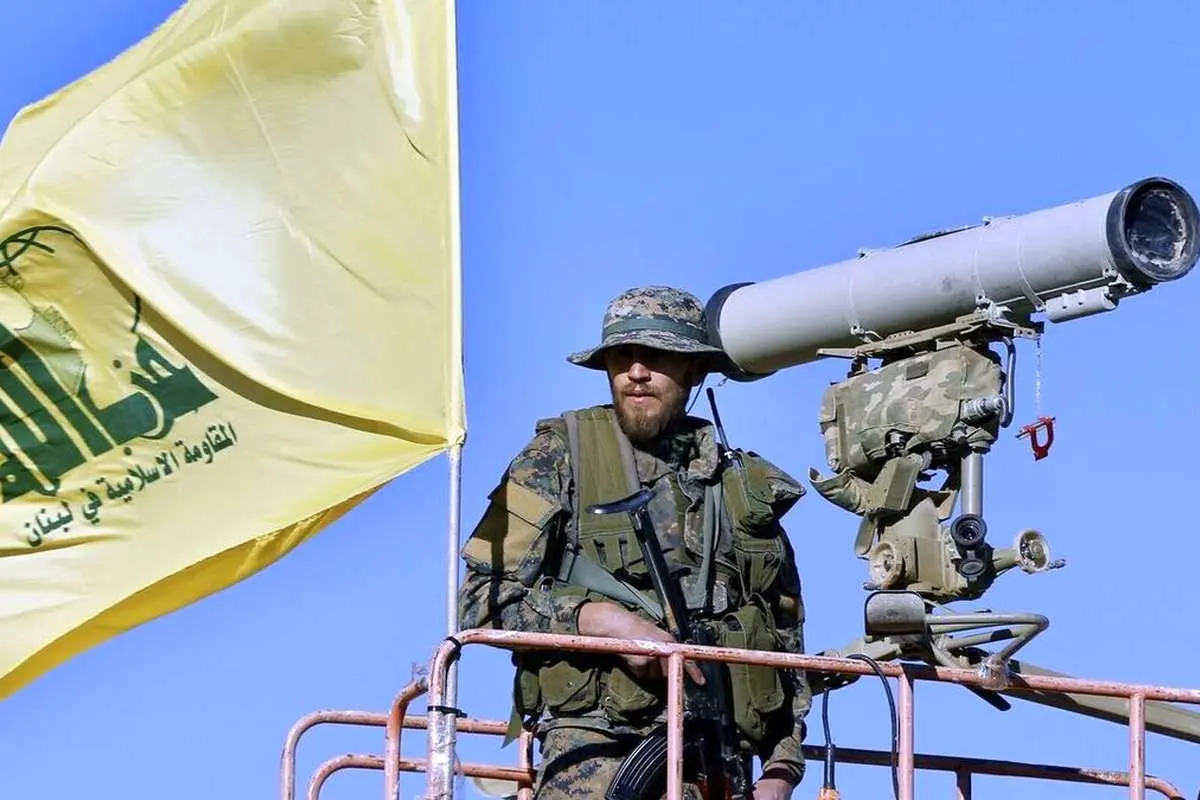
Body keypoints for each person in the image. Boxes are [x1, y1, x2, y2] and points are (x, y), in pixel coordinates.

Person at [458, 286, 811, 800]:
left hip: (718, 766)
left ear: (695, 369)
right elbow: (479, 601)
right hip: (595, 757)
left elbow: (785, 643)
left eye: (657, 356)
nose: (637, 372)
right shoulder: (559, 456)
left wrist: (781, 770)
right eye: (622, 356)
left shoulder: (743, 489)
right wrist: (600, 622)